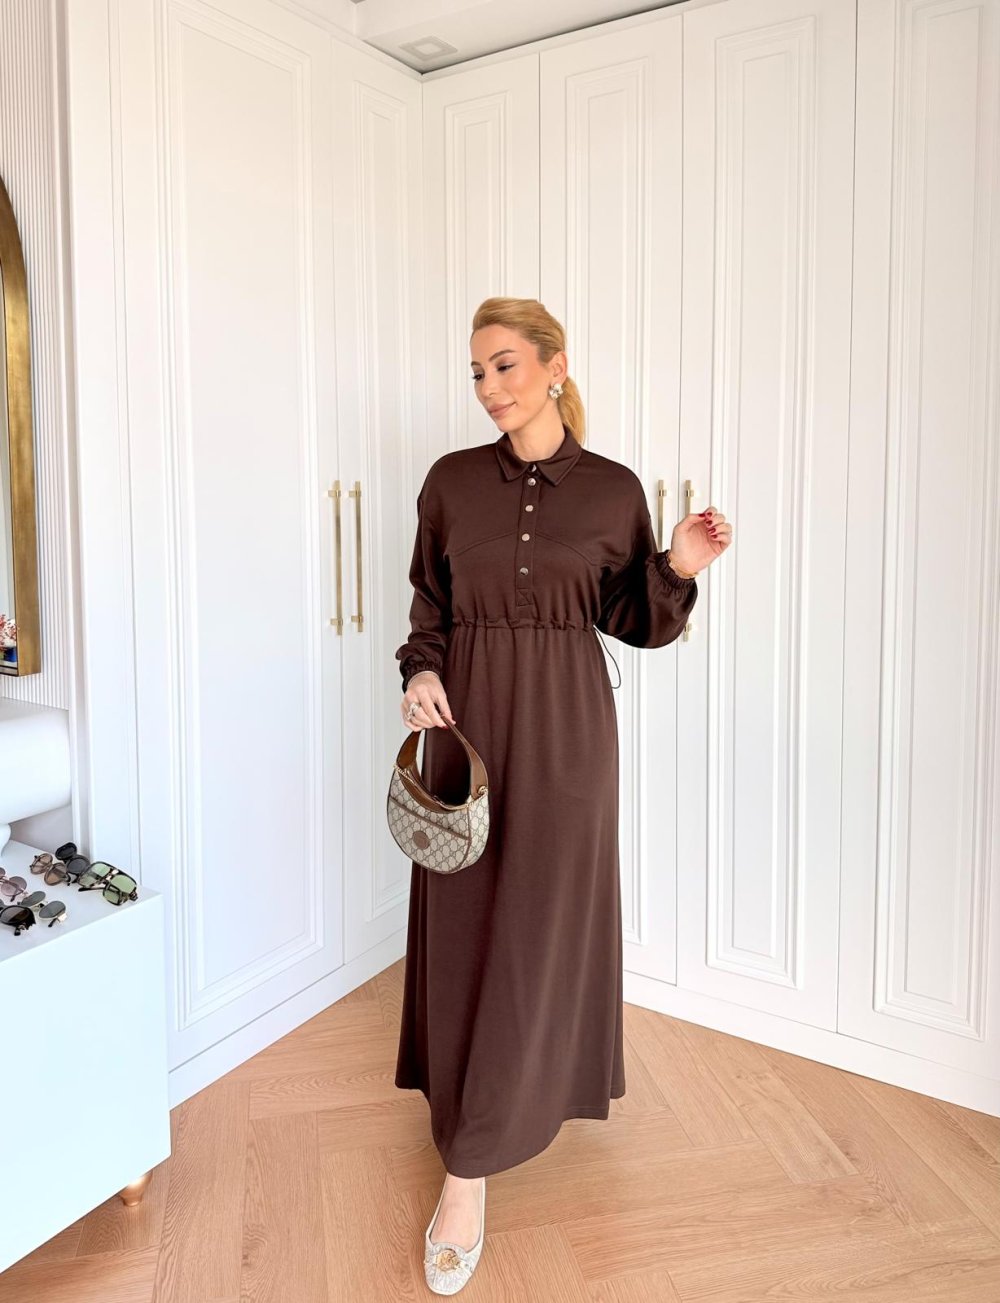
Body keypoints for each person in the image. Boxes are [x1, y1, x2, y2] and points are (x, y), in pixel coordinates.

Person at [394, 296, 732, 1294]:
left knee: (541, 927)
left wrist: (677, 565)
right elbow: (428, 604)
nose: (489, 387)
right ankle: (468, 1137)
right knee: (465, 923)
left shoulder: (614, 490)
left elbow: (634, 620)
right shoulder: (451, 482)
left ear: (554, 365)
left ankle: (485, 1148)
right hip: (467, 731)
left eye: (504, 365)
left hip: (569, 735)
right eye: (477, 372)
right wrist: (420, 670)